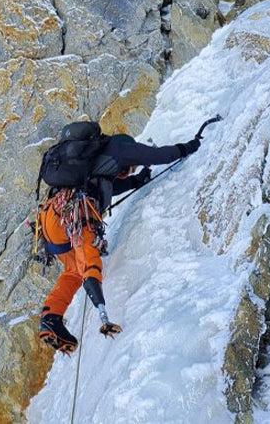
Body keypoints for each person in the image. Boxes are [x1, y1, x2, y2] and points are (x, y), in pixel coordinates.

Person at [36, 121, 201, 353]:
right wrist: (187, 148)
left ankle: (51, 317)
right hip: (74, 214)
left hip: (51, 218)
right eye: (130, 169)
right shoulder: (119, 148)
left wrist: (136, 182)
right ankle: (102, 310)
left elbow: (107, 187)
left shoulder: (91, 165)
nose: (128, 171)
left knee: (73, 271)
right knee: (89, 260)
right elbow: (155, 154)